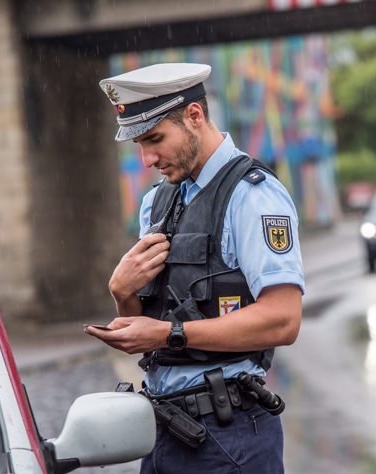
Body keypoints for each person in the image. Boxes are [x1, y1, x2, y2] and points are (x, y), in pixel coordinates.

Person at [85, 62, 304, 473]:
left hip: (230, 435)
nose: (147, 158)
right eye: (139, 145)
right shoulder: (157, 202)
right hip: (163, 432)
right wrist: (123, 294)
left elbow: (283, 320)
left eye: (154, 139)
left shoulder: (254, 196)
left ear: (195, 116)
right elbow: (150, 338)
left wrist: (171, 333)